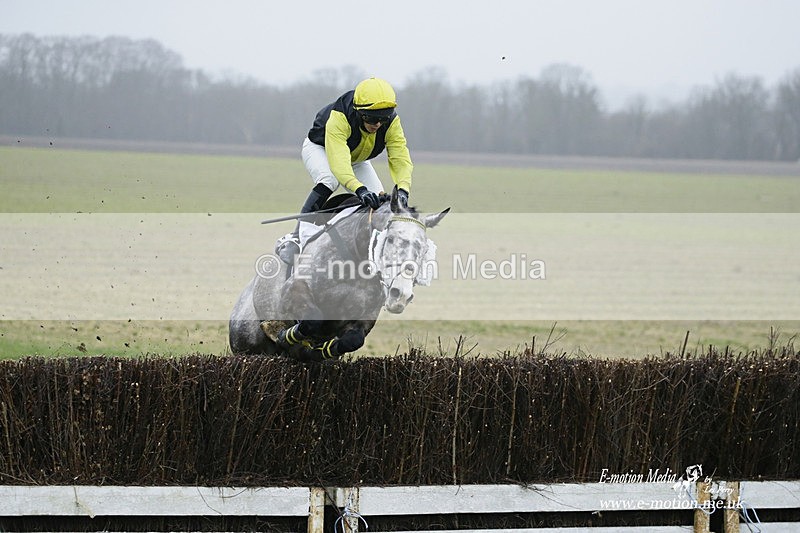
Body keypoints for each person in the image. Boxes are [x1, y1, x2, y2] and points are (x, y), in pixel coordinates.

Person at [275, 77, 414, 263]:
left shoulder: (392, 122)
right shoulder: (339, 116)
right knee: (329, 180)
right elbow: (339, 163)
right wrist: (360, 189)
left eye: (383, 118)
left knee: (379, 203)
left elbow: (400, 157)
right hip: (322, 149)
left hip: (357, 158)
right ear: (359, 112)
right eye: (373, 118)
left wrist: (403, 189)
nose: (378, 124)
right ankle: (296, 237)